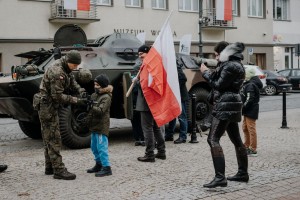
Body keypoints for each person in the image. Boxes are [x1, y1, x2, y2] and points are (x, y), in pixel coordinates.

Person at [199, 41, 249, 188]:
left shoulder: (230, 65)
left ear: (225, 53)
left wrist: (205, 73)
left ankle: (220, 177)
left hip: (225, 105)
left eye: (217, 54)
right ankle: (242, 173)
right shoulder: (233, 64)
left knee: (213, 139)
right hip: (231, 104)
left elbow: (218, 84)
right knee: (236, 140)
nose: (216, 57)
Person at [36, 50, 88, 180]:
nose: (76, 68)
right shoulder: (57, 71)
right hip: (47, 106)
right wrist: (76, 100)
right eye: (74, 65)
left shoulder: (65, 66)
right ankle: (58, 170)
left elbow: (71, 79)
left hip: (49, 105)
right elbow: (57, 96)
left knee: (48, 137)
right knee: (54, 138)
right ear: (68, 61)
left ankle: (50, 167)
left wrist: (80, 90)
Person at [135, 45, 166, 162]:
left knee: (147, 128)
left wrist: (137, 81)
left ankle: (149, 154)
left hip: (146, 101)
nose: (139, 56)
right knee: (157, 128)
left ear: (147, 53)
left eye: (141, 54)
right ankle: (162, 151)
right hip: (154, 101)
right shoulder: (154, 64)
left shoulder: (147, 65)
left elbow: (145, 84)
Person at [86, 74, 113, 177]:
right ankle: (99, 164)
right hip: (94, 125)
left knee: (102, 148)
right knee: (94, 147)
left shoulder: (106, 97)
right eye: (94, 84)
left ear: (102, 85)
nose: (95, 86)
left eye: (97, 84)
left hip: (101, 126)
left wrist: (91, 105)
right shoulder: (95, 95)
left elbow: (101, 111)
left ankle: (107, 167)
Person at [165, 60, 189, 144]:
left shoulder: (174, 65)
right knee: (172, 115)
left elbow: (183, 78)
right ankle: (169, 134)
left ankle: (183, 137)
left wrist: (174, 87)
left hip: (180, 95)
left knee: (182, 117)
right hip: (174, 95)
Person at [240, 68, 262, 157]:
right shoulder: (248, 84)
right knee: (245, 128)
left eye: (245, 74)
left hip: (250, 109)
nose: (244, 75)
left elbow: (250, 99)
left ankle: (253, 149)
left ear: (249, 75)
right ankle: (246, 145)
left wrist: (243, 107)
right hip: (248, 110)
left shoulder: (251, 85)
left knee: (251, 128)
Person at [131, 62, 145, 146]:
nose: (133, 73)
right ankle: (137, 138)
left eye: (135, 72)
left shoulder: (141, 80)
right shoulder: (134, 79)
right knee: (135, 121)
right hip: (134, 103)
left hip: (140, 103)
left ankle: (143, 138)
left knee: (141, 121)